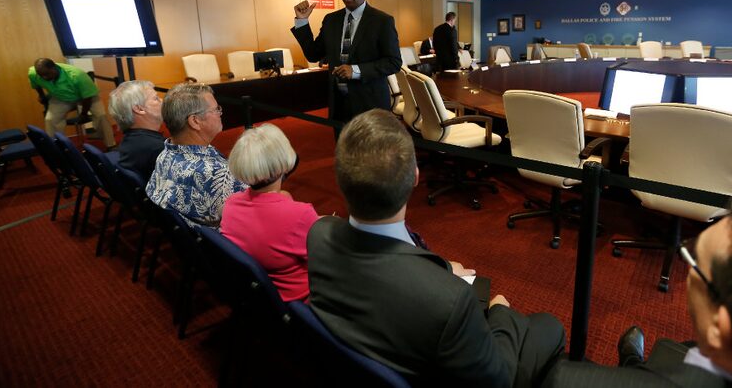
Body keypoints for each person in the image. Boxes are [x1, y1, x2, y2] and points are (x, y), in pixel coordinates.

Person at [308, 109, 566, 387]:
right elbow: (497, 378)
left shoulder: (319, 235)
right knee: (549, 325)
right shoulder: (450, 300)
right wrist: (500, 313)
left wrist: (440, 270)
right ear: (416, 177)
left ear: (339, 178)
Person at [545, 195, 732, 387]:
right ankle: (633, 362)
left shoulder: (567, 381)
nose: (689, 268)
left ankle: (633, 365)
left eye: (694, 261)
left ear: (721, 329)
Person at [220, 124, 317, 303]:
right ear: (284, 161)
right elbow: (324, 260)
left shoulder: (231, 204)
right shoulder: (301, 214)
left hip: (258, 297)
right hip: (299, 301)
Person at [291, 0, 402, 123]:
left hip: (370, 106)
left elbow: (393, 62)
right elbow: (313, 54)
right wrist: (302, 21)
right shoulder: (331, 20)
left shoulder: (382, 21)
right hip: (339, 106)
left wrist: (356, 70)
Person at [146, 83, 247, 227]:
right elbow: (256, 214)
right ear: (195, 121)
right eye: (216, 109)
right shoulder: (216, 174)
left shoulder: (165, 155)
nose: (220, 113)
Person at [29, 58, 116, 148]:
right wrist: (41, 95)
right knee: (50, 119)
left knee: (100, 115)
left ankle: (110, 144)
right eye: (41, 75)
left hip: (84, 97)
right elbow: (36, 84)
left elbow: (88, 97)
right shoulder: (33, 73)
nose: (44, 78)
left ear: (54, 68)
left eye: (47, 74)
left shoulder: (77, 75)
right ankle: (56, 147)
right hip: (61, 97)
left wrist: (83, 114)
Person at [108, 80, 165, 181]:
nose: (162, 101)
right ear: (139, 109)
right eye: (156, 98)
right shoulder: (157, 148)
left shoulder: (131, 139)